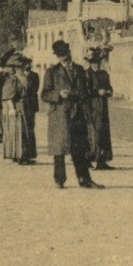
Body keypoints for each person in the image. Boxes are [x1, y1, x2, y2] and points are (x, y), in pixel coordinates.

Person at [41, 39, 100, 189]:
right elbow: (44, 95)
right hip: (60, 115)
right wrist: (59, 94)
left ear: (69, 52)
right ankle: (59, 180)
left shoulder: (80, 70)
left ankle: (84, 179)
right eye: (61, 55)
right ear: (57, 57)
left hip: (77, 113)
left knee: (80, 148)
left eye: (66, 54)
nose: (64, 57)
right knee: (59, 149)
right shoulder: (52, 72)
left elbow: (85, 91)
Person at [85, 46, 115, 171]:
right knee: (94, 134)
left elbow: (110, 88)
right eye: (93, 63)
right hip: (92, 106)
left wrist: (108, 92)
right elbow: (84, 92)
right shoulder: (86, 74)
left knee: (104, 133)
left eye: (97, 62)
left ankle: (102, 161)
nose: (95, 65)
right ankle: (90, 160)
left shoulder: (104, 74)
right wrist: (98, 92)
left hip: (103, 107)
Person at [15, 54, 40, 164]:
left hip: (31, 106)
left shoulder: (34, 76)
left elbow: (34, 89)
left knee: (30, 129)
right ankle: (20, 155)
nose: (28, 66)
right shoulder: (16, 77)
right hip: (20, 105)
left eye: (29, 64)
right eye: (26, 65)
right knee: (21, 129)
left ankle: (29, 155)